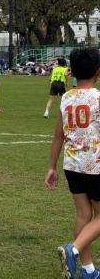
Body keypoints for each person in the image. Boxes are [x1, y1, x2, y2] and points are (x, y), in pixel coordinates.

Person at [45, 48, 100, 279]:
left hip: (72, 165)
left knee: (83, 215)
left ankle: (88, 270)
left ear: (73, 72)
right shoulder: (98, 98)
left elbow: (58, 135)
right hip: (95, 165)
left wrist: (51, 167)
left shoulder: (66, 98)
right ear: (98, 72)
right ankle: (73, 250)